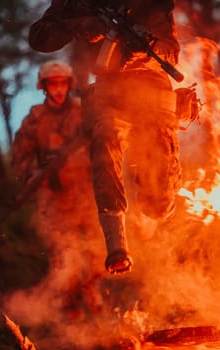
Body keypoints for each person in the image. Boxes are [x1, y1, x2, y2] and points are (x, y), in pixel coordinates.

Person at [28, 0, 183, 275]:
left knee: (158, 205)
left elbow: (171, 50)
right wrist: (81, 24)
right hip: (110, 92)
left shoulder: (151, 4)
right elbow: (39, 37)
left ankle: (148, 209)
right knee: (105, 140)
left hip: (151, 92)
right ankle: (117, 244)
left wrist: (148, 51)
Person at [10, 60, 105, 319]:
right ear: (44, 87)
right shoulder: (34, 120)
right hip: (55, 202)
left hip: (87, 196)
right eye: (53, 84)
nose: (59, 89)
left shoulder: (82, 114)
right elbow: (20, 160)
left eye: (63, 83)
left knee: (99, 255)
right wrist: (36, 176)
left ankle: (98, 308)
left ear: (69, 84)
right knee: (65, 263)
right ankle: (71, 322)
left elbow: (102, 147)